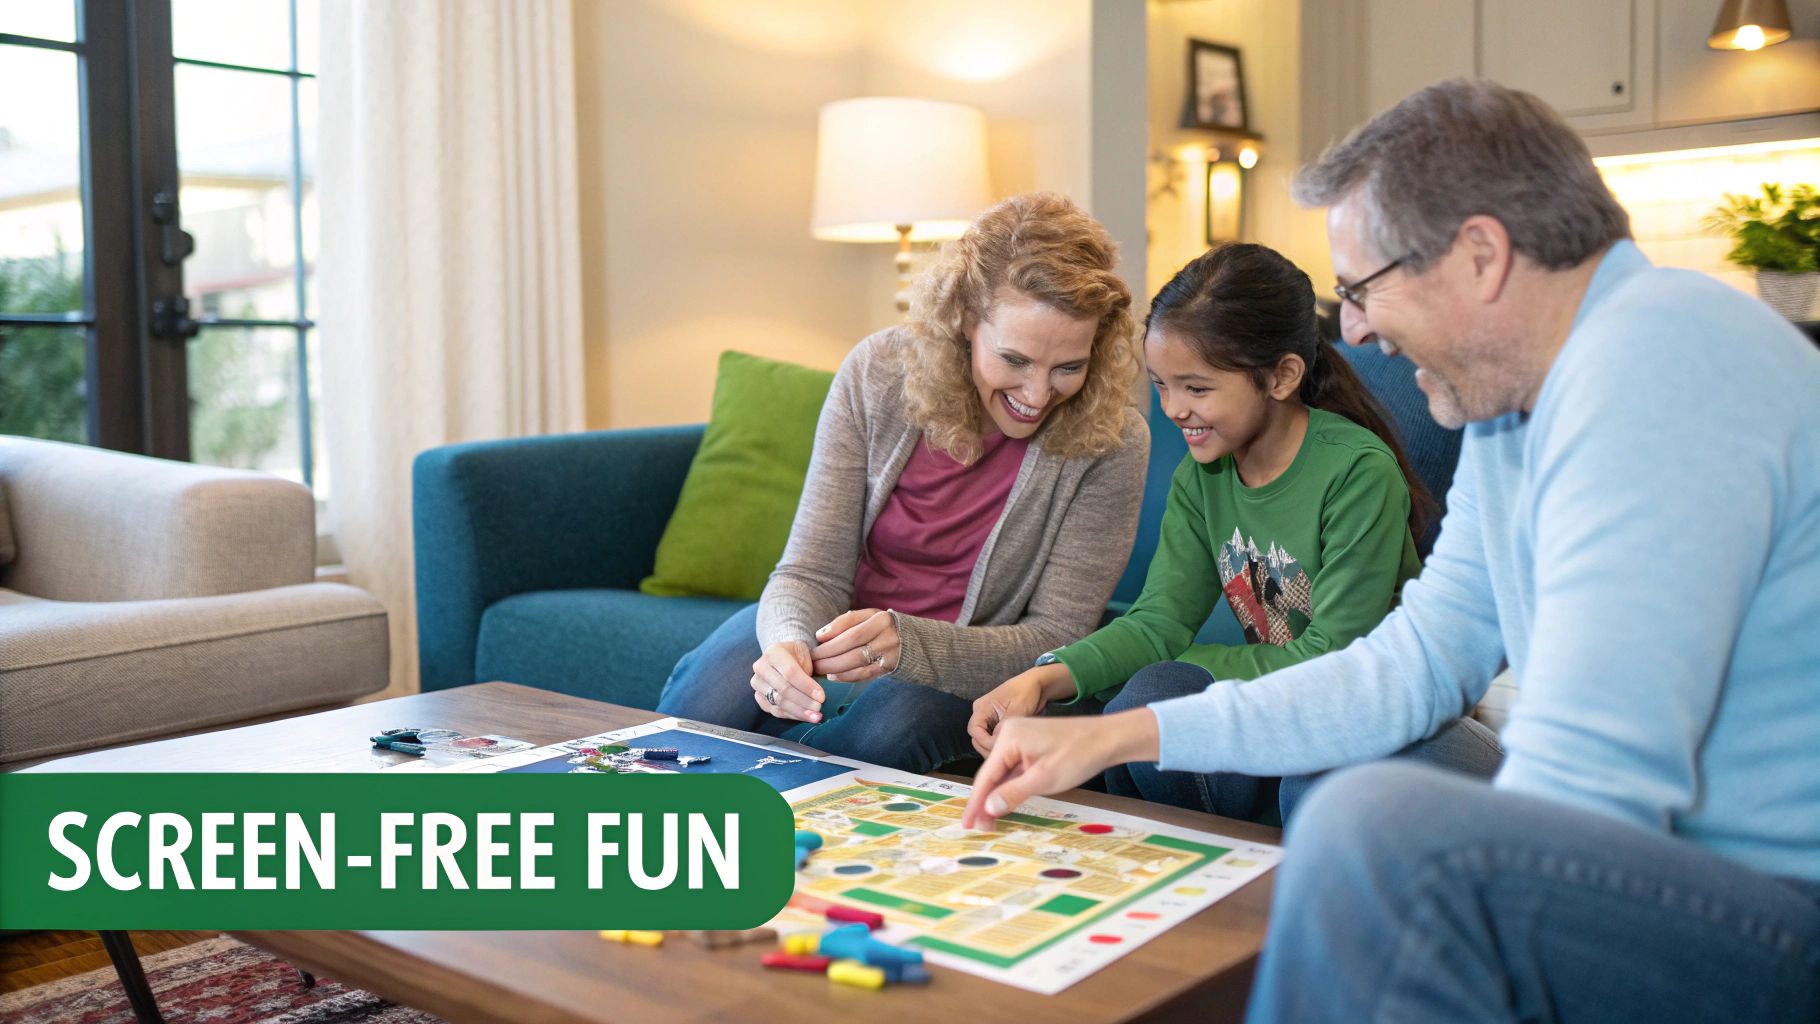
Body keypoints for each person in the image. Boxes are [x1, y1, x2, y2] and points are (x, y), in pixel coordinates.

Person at [961, 80, 1820, 1021]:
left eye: (1361, 290)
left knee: (1376, 824)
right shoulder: (1513, 415)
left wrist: (1416, 861)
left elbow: (1591, 792)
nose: (1356, 330)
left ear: (1481, 255)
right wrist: (1112, 733)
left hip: (1771, 909)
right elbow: (1407, 667)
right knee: (1368, 812)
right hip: (1658, 882)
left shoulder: (1660, 359)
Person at [968, 242, 1498, 824]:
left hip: (1363, 709)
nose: (1173, 409)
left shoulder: (1356, 471)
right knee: (1143, 690)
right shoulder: (1204, 475)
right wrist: (1044, 677)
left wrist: (1178, 671)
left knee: (1158, 689)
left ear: (1282, 377)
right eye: (1161, 386)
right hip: (1270, 717)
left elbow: (1333, 658)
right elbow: (1157, 622)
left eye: (1196, 388)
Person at [656, 192, 1150, 773]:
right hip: (836, 632)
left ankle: (783, 829)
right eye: (1014, 360)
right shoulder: (878, 373)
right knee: (703, 705)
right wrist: (787, 643)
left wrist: (911, 647)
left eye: (1068, 367)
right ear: (966, 320)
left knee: (894, 723)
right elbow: (808, 572)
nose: (1038, 395)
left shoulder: (1113, 441)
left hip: (971, 665)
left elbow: (1056, 636)